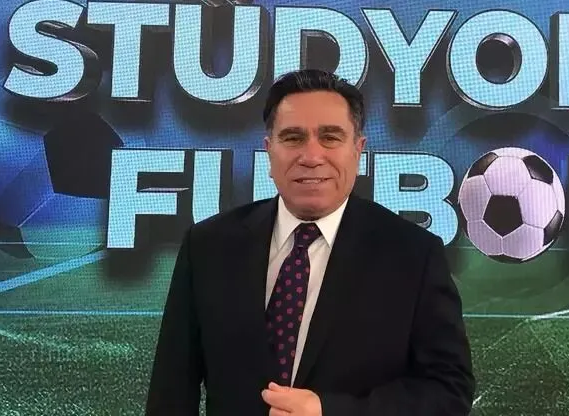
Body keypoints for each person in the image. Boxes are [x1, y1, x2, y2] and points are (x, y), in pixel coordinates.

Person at [145, 69, 476, 415]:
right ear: (269, 151)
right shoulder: (208, 246)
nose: (311, 156)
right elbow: (171, 389)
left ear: (358, 151)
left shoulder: (413, 255)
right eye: (293, 138)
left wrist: (330, 411)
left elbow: (448, 390)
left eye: (330, 137)